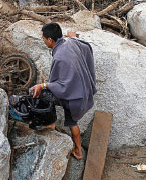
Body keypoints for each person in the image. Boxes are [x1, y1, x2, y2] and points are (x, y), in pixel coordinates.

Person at [29, 23, 97, 160]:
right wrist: (73, 37)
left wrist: (42, 86)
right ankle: (78, 151)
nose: (43, 40)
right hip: (82, 94)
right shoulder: (70, 43)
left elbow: (62, 87)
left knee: (43, 93)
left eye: (43, 38)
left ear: (50, 40)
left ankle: (49, 124)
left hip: (72, 98)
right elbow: (86, 46)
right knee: (72, 122)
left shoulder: (60, 56)